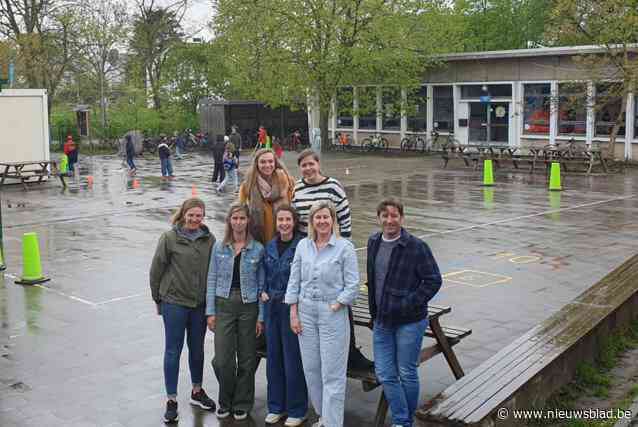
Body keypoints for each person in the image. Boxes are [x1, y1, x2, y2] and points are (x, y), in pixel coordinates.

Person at [291, 149, 372, 372]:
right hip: (310, 249)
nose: (308, 169)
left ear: (318, 164)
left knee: (341, 300)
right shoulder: (297, 188)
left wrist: (340, 250)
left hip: (333, 250)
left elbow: (345, 221)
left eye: (311, 164)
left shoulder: (333, 186)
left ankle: (351, 353)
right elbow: (298, 221)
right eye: (303, 165)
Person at [366, 198, 442, 427]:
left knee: (406, 372)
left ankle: (403, 421)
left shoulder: (416, 247)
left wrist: (409, 303)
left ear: (402, 218)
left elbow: (433, 281)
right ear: (379, 218)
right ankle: (404, 419)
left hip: (410, 321)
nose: (390, 220)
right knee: (385, 373)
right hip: (381, 320)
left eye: (394, 215)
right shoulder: (373, 242)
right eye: (385, 215)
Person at [284, 200, 359, 427]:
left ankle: (333, 423)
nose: (322, 221)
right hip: (305, 312)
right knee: (312, 370)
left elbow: (353, 285)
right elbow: (294, 280)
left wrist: (336, 305)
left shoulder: (344, 247)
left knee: (332, 374)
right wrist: (293, 313)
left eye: (326, 217)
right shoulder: (302, 246)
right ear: (312, 221)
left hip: (331, 314)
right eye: (318, 217)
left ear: (333, 220)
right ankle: (323, 417)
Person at [149, 198, 217, 423]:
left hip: (199, 305)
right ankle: (171, 400)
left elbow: (215, 271)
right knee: (173, 350)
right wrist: (158, 298)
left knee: (197, 349)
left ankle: (197, 391)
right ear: (183, 214)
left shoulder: (209, 239)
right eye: (192, 215)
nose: (195, 219)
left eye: (199, 215)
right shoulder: (169, 238)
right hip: (175, 303)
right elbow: (156, 269)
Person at [206, 203, 265, 421]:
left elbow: (261, 285)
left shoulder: (257, 249)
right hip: (224, 304)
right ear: (229, 221)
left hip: (249, 305)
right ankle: (225, 400)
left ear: (248, 221)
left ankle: (242, 402)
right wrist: (210, 312)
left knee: (247, 358)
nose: (238, 222)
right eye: (235, 218)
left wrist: (261, 316)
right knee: (222, 360)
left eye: (242, 218)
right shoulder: (219, 247)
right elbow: (211, 278)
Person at [261, 205, 308, 426]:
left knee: (293, 360)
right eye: (280, 220)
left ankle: (297, 409)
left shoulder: (303, 246)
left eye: (288, 219)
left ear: (294, 221)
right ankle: (276, 406)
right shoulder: (269, 246)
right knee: (274, 359)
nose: (284, 224)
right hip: (271, 308)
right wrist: (262, 289)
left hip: (292, 308)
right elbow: (264, 274)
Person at [238, 148, 295, 244]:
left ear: (275, 163)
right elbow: (241, 213)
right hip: (258, 241)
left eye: (270, 161)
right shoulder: (248, 186)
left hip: (285, 241)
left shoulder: (288, 182)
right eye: (263, 162)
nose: (267, 165)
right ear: (257, 164)